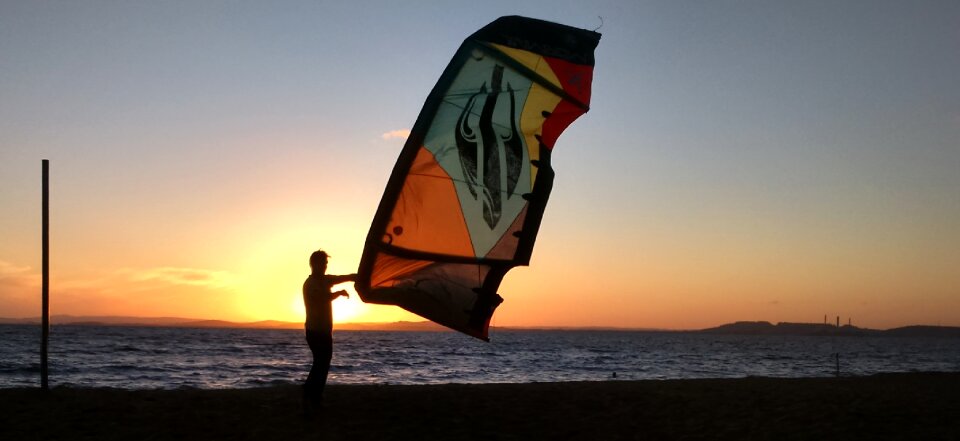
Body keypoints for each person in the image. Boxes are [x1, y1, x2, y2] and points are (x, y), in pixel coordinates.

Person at [302, 250, 356, 407]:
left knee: (322, 363)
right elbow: (321, 299)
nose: (325, 266)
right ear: (314, 264)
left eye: (326, 263)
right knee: (321, 362)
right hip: (315, 331)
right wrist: (338, 293)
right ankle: (310, 394)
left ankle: (314, 395)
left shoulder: (325, 280)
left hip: (324, 331)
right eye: (322, 263)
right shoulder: (310, 284)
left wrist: (358, 276)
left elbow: (342, 278)